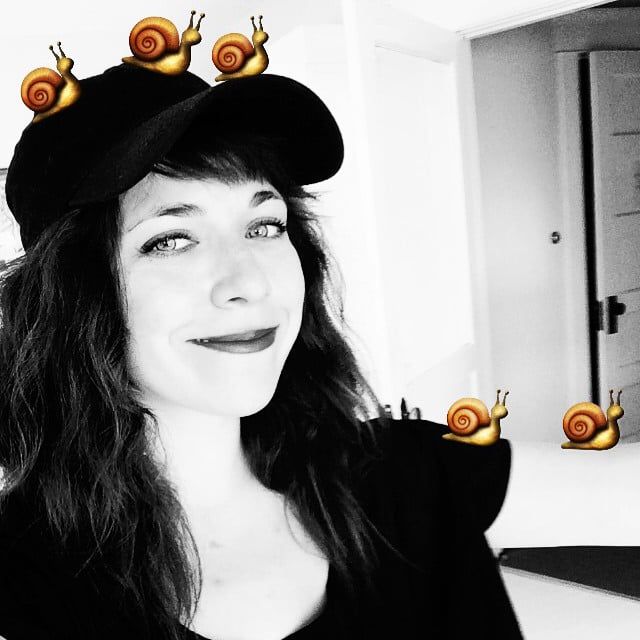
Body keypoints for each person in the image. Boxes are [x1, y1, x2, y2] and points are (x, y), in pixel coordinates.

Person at [0, 32, 522, 640]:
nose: (249, 281)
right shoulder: (24, 585)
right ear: (72, 297)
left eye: (265, 225)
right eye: (172, 240)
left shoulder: (401, 477)